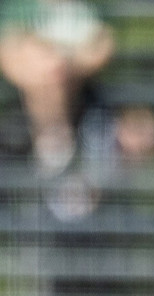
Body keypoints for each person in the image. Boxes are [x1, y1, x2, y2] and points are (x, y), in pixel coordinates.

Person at [0, 0, 113, 174]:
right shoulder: (19, 7)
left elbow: (103, 47)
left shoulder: (87, 8)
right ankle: (55, 141)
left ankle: (53, 145)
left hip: (79, 91)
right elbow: (7, 54)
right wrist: (46, 69)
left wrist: (63, 65)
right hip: (27, 88)